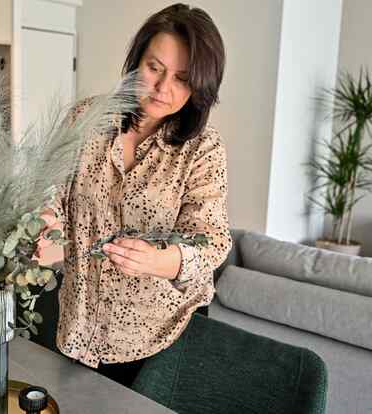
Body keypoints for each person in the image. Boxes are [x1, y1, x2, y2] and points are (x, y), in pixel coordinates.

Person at [40, 3, 232, 387]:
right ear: (136, 60)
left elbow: (211, 239)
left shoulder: (203, 148)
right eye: (154, 68)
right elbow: (51, 188)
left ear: (200, 87)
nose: (163, 88)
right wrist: (45, 223)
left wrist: (159, 261)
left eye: (182, 78)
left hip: (162, 337)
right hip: (79, 325)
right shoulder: (85, 118)